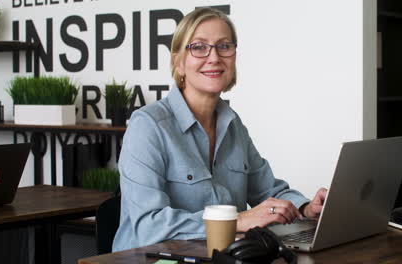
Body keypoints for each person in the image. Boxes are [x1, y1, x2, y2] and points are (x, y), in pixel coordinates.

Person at [112, 7, 327, 252]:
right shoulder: (148, 126)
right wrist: (239, 220)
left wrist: (305, 208)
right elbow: (149, 226)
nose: (214, 57)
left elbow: (268, 189)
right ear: (178, 62)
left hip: (220, 256)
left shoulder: (232, 124)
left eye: (224, 46)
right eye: (199, 47)